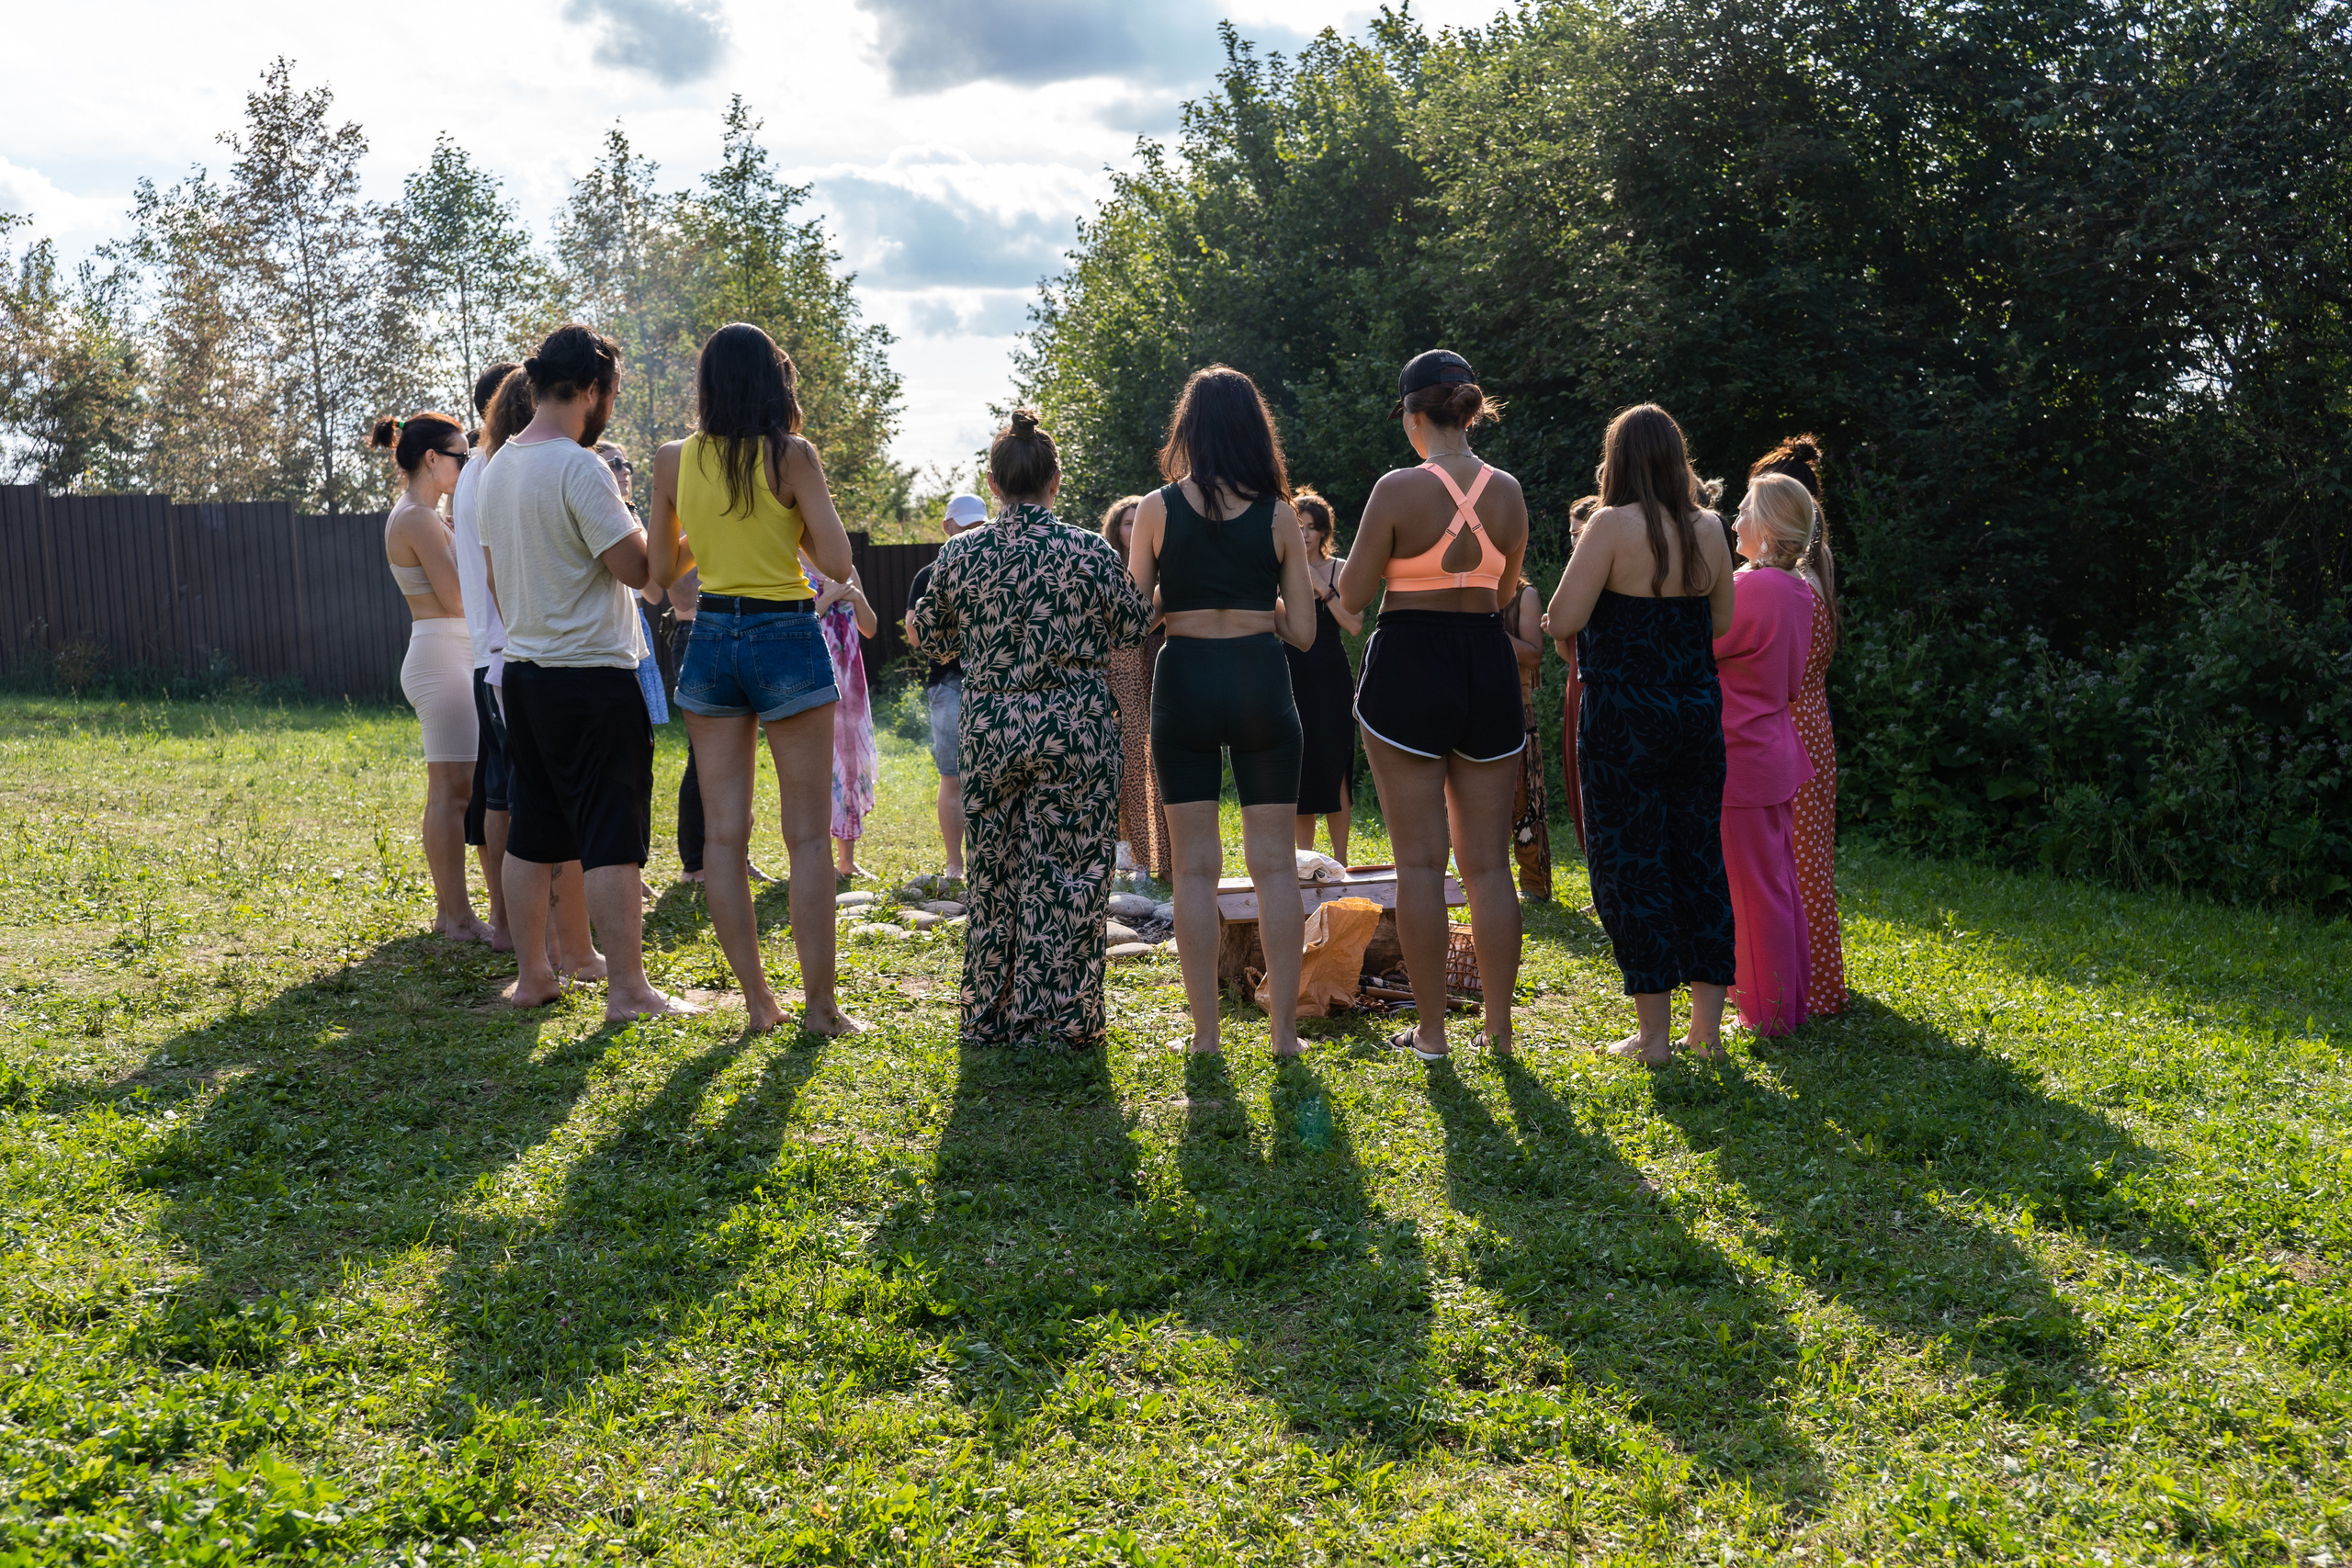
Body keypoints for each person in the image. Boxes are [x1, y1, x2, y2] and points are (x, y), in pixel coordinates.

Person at [910, 412, 1152, 1047]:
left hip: (992, 727)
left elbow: (929, 637)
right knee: (1072, 875)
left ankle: (990, 1015)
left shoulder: (959, 553)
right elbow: (1132, 627)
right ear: (1057, 480)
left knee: (994, 873)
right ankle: (1064, 1019)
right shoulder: (1088, 549)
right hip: (1076, 728)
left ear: (992, 484)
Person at [476, 323, 695, 1021]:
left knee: (536, 827)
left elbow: (495, 577)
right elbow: (643, 572)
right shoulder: (580, 466)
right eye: (612, 394)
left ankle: (533, 975)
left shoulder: (498, 466)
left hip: (525, 673)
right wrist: (696, 527)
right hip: (594, 677)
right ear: (593, 389)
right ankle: (629, 990)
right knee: (611, 834)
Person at [647, 321, 859, 1036]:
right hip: (785, 635)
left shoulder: (673, 459)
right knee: (804, 838)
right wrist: (785, 519)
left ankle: (756, 1005)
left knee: (724, 839)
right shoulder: (791, 455)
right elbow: (835, 559)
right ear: (774, 380)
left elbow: (660, 573)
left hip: (710, 637)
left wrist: (710, 532)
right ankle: (821, 1009)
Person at [1338, 351, 1530, 1061]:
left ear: (1416, 418)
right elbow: (1506, 595)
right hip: (1484, 662)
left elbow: (1353, 598)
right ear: (1470, 411)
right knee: (1488, 867)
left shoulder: (1397, 488)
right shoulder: (1508, 491)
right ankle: (1501, 1034)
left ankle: (1432, 1034)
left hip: (1410, 666)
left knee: (1419, 864)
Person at [1130, 367, 1317, 1058]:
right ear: (1252, 429)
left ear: (1189, 429)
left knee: (1194, 872)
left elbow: (1131, 618)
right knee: (1274, 868)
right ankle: (1284, 1034)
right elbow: (1302, 630)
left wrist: (1178, 604)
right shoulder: (1276, 514)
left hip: (1184, 682)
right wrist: (1253, 606)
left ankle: (1206, 1035)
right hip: (1259, 683)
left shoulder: (1153, 508)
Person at [1543, 403, 1737, 1063]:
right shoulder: (1710, 527)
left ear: (1618, 458)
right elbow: (1721, 625)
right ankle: (1704, 1034)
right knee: (1700, 858)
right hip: (1695, 710)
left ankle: (1654, 1035)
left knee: (1633, 864)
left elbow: (1562, 618)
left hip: (1624, 716)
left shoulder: (1607, 526)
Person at [374, 410, 491, 943]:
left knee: (462, 789)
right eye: (461, 458)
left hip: (453, 651)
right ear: (430, 459)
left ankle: (456, 912)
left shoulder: (430, 515)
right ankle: (455, 916)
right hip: (441, 653)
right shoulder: (417, 517)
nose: (466, 467)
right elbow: (457, 599)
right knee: (452, 792)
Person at [1713, 472, 1820, 1035]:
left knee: (1753, 891)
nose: (1734, 522)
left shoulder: (1756, 589)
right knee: (1774, 882)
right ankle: (1783, 1000)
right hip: (1770, 748)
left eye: (1745, 511)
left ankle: (1769, 1014)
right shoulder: (1796, 587)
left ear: (1772, 524)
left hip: (1743, 755)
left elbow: (1698, 643)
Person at [1754, 437, 1848, 1015]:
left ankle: (1802, 987)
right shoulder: (1818, 570)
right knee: (1806, 858)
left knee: (1791, 859)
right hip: (1811, 719)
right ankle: (1815, 981)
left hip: (1786, 723)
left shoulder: (1786, 584)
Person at [454, 362, 517, 950]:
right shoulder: (494, 468)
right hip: (505, 653)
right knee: (510, 793)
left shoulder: (474, 470)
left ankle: (504, 919)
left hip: (486, 652)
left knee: (500, 790)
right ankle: (509, 921)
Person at [902, 493, 989, 882]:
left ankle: (991, 863)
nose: (972, 532)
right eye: (965, 525)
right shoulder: (928, 574)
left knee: (992, 776)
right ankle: (955, 864)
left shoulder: (996, 567)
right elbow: (915, 634)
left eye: (978, 525)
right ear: (947, 527)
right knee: (952, 775)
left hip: (993, 684)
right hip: (949, 685)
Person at [1285, 490, 1362, 863]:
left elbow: (1355, 625)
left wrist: (1323, 589)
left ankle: (1341, 862)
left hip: (1331, 677)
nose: (1304, 535)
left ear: (1323, 532)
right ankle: (1306, 864)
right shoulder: (1279, 570)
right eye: (1298, 527)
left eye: (1312, 528)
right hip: (1290, 673)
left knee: (1335, 767)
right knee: (1301, 771)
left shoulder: (1341, 568)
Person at [1096, 494, 1164, 876]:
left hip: (1155, 660)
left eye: (1141, 522)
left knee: (1154, 760)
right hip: (1116, 667)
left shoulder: (1163, 565)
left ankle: (1158, 857)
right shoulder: (1104, 565)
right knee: (1122, 761)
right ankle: (1126, 855)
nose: (1135, 529)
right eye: (1127, 522)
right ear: (1115, 528)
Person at [809, 564, 879, 878]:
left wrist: (856, 597)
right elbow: (795, 625)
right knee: (818, 768)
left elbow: (870, 628)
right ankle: (819, 859)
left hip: (851, 678)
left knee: (850, 766)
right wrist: (828, 597)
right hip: (815, 678)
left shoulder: (846, 568)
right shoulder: (789, 565)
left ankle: (846, 861)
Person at [1502, 565, 1551, 899]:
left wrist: (1487, 626)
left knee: (1524, 801)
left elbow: (1534, 655)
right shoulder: (1466, 591)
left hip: (1513, 709)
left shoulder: (1524, 595)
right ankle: (1488, 881)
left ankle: (1533, 883)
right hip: (1470, 708)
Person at [1557, 494, 1600, 862]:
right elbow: (1565, 648)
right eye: (1572, 535)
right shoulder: (1571, 572)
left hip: (1597, 683)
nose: (1575, 542)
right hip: (1576, 679)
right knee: (1576, 777)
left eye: (1581, 533)